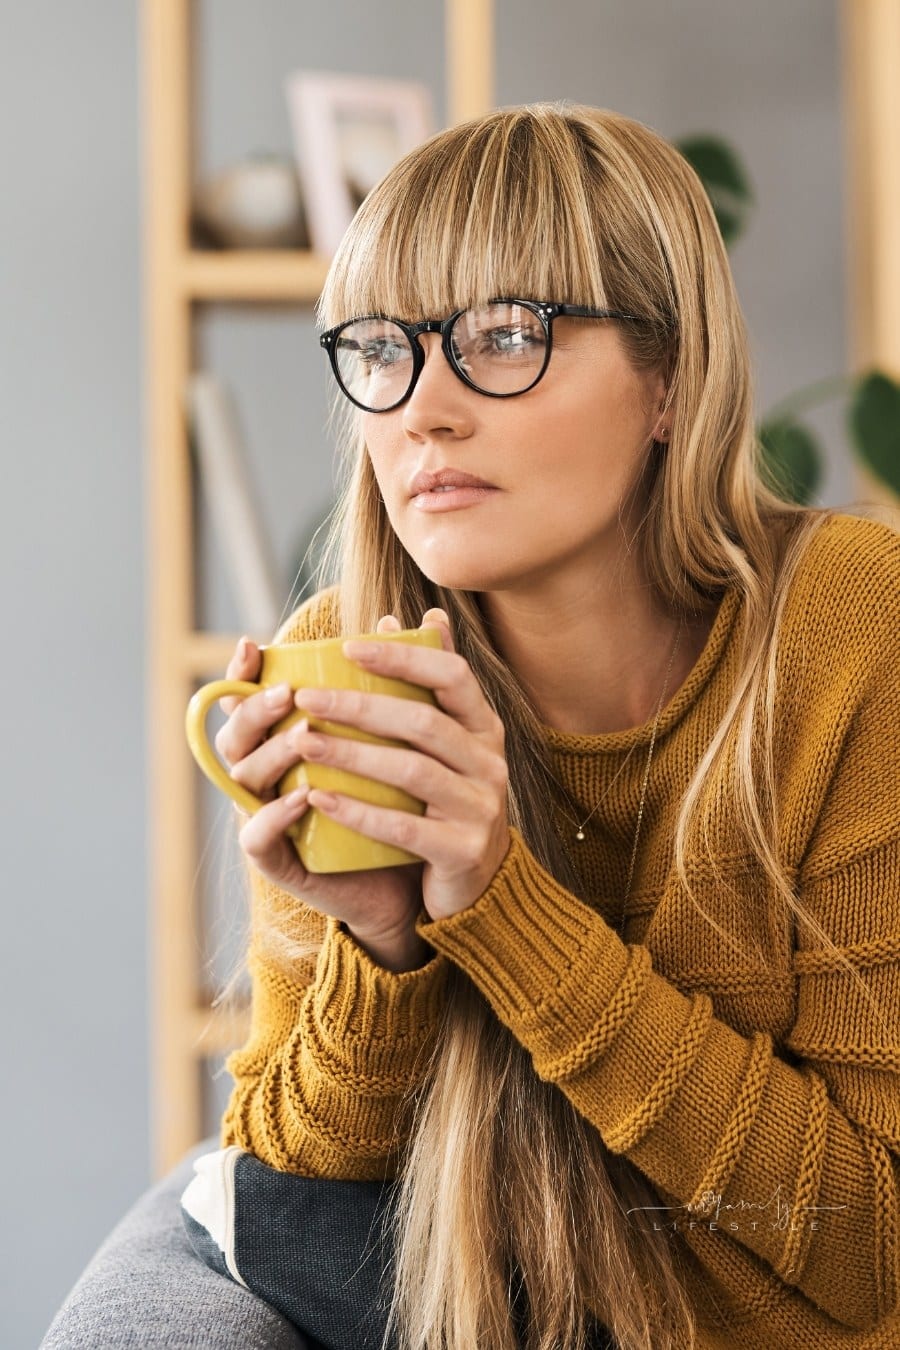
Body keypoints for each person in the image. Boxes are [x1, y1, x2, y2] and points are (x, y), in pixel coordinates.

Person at [193, 104, 899, 1350]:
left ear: (670, 380)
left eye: (504, 338)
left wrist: (502, 901)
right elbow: (299, 1214)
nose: (424, 412)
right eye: (381, 350)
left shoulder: (850, 635)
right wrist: (385, 945)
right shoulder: (337, 666)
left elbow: (874, 1247)